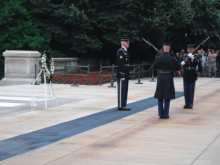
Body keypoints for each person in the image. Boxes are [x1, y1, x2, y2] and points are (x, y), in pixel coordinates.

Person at [154, 41, 181, 119]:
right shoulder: (171, 58)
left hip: (161, 76)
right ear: (169, 48)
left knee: (160, 96)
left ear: (163, 48)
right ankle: (166, 114)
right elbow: (178, 67)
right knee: (167, 96)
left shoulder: (158, 57)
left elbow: (155, 66)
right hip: (168, 76)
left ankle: (160, 114)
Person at [181, 44, 201, 109]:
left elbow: (199, 63)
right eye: (188, 49)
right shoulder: (184, 56)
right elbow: (181, 64)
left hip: (192, 73)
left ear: (193, 49)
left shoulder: (195, 56)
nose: (189, 50)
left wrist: (193, 58)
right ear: (187, 49)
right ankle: (186, 103)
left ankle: (190, 104)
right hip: (186, 73)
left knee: (191, 90)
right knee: (186, 90)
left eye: (191, 49)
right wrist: (182, 63)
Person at [116, 37, 131, 111]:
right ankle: (121, 105)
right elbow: (120, 64)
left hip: (126, 73)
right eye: (127, 42)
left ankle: (124, 104)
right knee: (122, 90)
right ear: (123, 43)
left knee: (125, 89)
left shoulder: (125, 51)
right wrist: (122, 74)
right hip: (122, 73)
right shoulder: (120, 51)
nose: (128, 44)